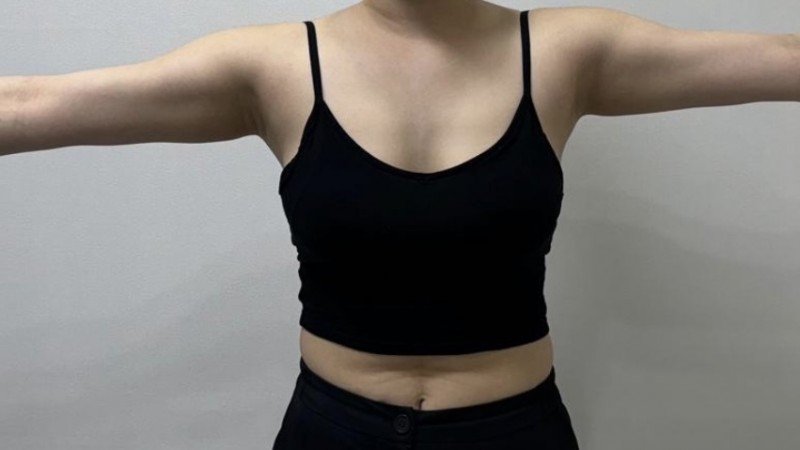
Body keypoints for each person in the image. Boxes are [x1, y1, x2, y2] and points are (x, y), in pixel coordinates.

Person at [1, 1, 797, 449]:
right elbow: (27, 103)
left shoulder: (566, 50)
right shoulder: (274, 64)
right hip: (333, 432)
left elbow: (784, 55)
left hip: (514, 434)